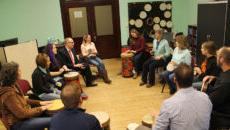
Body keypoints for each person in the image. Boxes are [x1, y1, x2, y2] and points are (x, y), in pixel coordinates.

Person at [153, 63, 212, 130]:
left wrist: (156, 119)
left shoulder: (168, 104)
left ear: (175, 80)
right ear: (193, 79)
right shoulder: (205, 98)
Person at [0, 62, 52, 130]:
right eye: (18, 70)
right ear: (13, 74)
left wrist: (40, 103)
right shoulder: (8, 94)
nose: (20, 71)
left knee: (49, 114)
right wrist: (41, 108)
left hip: (25, 117)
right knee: (52, 121)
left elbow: (22, 99)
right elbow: (22, 114)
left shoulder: (14, 85)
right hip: (18, 124)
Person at [202, 47, 230, 129]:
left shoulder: (226, 82)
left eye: (217, 56)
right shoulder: (225, 73)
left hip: (221, 115)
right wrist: (214, 79)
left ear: (221, 59)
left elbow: (210, 102)